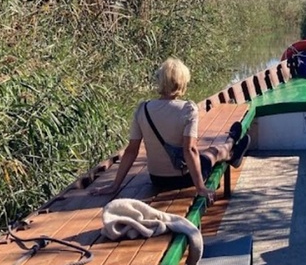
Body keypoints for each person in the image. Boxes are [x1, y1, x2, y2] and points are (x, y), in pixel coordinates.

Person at [92, 58, 249, 205]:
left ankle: (232, 146)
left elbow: (131, 151)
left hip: (157, 179)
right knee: (213, 152)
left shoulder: (142, 109)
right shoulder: (188, 109)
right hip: (183, 178)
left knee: (208, 153)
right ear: (182, 83)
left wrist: (114, 185)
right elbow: (190, 150)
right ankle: (231, 146)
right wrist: (200, 187)